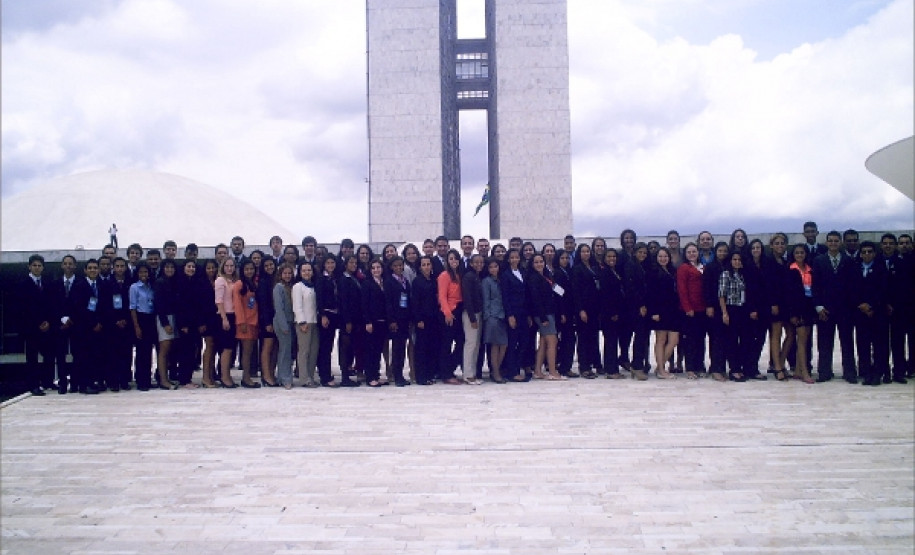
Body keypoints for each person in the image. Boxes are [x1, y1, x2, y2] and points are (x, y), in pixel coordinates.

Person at [811, 231, 856, 383]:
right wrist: (818, 306)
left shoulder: (849, 261)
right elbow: (815, 285)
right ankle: (824, 372)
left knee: (847, 342)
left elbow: (852, 286)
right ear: (826, 243)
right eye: (830, 241)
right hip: (825, 309)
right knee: (824, 342)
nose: (833, 243)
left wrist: (851, 307)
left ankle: (849, 372)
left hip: (845, 309)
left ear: (841, 243)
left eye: (836, 241)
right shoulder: (819, 261)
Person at [849, 242, 888, 386]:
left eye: (869, 252)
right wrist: (861, 305)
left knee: (878, 344)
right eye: (864, 252)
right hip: (860, 313)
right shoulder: (855, 269)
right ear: (860, 254)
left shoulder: (881, 269)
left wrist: (871, 305)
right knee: (863, 344)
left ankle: (878, 372)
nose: (866, 254)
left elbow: (883, 290)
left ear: (874, 253)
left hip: (877, 312)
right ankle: (866, 372)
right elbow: (851, 290)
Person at [718, 251, 758, 382]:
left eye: (739, 259)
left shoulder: (743, 275)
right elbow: (721, 295)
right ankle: (734, 369)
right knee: (732, 341)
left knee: (745, 340)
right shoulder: (726, 274)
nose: (737, 262)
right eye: (734, 259)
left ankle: (742, 367)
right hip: (731, 309)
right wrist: (724, 313)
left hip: (743, 310)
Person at [18, 254, 53, 395]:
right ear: (29, 267)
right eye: (34, 265)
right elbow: (22, 309)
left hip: (47, 327)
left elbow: (51, 305)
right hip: (31, 328)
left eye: (39, 265)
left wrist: (48, 322)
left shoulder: (47, 283)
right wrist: (37, 323)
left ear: (43, 267)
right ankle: (33, 385)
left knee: (49, 355)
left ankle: (47, 382)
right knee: (32, 358)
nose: (37, 268)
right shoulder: (23, 285)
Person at [70, 259, 104, 394]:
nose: (93, 270)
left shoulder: (103, 285)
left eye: (95, 268)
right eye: (90, 268)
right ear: (85, 270)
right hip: (83, 328)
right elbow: (78, 308)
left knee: (95, 356)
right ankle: (83, 385)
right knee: (82, 357)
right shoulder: (78, 286)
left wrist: (100, 322)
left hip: (99, 328)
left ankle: (92, 382)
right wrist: (92, 323)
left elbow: (105, 306)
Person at [528, 253, 564, 380]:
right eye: (536, 262)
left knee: (543, 342)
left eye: (541, 261)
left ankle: (538, 370)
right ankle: (553, 372)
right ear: (532, 264)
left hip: (550, 312)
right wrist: (543, 318)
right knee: (552, 342)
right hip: (543, 314)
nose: (539, 264)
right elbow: (535, 299)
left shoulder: (545, 276)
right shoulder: (533, 278)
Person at [101, 257, 133, 391]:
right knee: (113, 353)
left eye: (122, 266)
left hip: (127, 323)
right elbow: (104, 304)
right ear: (113, 268)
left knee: (126, 352)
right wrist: (115, 320)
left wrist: (125, 319)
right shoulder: (107, 284)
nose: (120, 269)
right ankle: (113, 381)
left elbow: (132, 303)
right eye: (117, 266)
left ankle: (125, 379)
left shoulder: (130, 283)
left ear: (126, 268)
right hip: (112, 324)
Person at [647, 247, 680, 379]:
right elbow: (650, 294)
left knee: (674, 340)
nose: (663, 259)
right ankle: (661, 369)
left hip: (673, 310)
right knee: (661, 339)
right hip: (659, 310)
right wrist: (654, 311)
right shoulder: (653, 273)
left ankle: (659, 366)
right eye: (660, 256)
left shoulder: (672, 270)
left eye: (665, 256)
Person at [787, 244, 816, 384]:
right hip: (798, 308)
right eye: (797, 252)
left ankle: (798, 370)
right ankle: (805, 372)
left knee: (805, 340)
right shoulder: (791, 270)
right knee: (802, 342)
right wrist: (793, 313)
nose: (799, 255)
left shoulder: (810, 269)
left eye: (802, 252)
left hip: (809, 306)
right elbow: (790, 294)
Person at [677, 243, 706, 379]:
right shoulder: (684, 268)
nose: (692, 254)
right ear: (685, 254)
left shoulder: (702, 267)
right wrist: (687, 307)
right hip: (689, 310)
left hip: (702, 309)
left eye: (694, 251)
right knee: (690, 340)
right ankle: (690, 368)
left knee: (700, 339)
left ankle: (699, 365)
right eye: (689, 252)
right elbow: (682, 289)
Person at [572, 243, 601, 378]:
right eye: (583, 251)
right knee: (583, 338)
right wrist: (580, 310)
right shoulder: (577, 269)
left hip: (595, 308)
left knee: (593, 338)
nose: (586, 254)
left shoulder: (594, 267)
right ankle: (584, 366)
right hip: (583, 309)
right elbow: (576, 291)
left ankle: (593, 363)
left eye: (588, 251)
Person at [703, 242, 731, 382]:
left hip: (728, 306)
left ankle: (721, 367)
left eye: (725, 251)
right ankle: (715, 368)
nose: (723, 253)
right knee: (716, 339)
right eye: (720, 251)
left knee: (725, 339)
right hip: (714, 306)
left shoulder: (729, 265)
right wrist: (709, 305)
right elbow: (706, 287)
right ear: (716, 251)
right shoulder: (710, 267)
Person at [623, 243, 651, 378]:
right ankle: (636, 366)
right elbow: (631, 287)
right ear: (635, 252)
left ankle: (642, 363)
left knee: (644, 337)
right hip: (635, 307)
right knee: (639, 337)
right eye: (640, 252)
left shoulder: (644, 266)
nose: (643, 255)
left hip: (644, 306)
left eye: (645, 253)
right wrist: (640, 305)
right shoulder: (630, 266)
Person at [437, 249, 464, 385]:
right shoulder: (444, 275)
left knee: (461, 342)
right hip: (448, 312)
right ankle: (446, 373)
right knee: (446, 344)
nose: (454, 261)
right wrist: (447, 313)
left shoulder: (459, 275)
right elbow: (442, 296)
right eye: (451, 259)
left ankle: (450, 368)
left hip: (459, 311)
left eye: (456, 259)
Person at [384, 256, 412, 386]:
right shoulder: (389, 282)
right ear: (391, 267)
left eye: (401, 265)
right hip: (395, 319)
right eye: (396, 266)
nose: (399, 268)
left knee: (402, 347)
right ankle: (396, 375)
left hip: (405, 318)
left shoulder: (405, 280)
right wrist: (392, 320)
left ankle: (400, 373)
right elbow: (388, 302)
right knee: (396, 348)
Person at [232, 260, 261, 388]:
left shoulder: (253, 284)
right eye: (246, 269)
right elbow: (237, 305)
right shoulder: (239, 284)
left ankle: (248, 376)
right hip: (245, 323)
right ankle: (246, 378)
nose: (249, 271)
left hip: (254, 322)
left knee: (250, 352)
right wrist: (242, 322)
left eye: (251, 269)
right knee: (246, 352)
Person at [501, 249, 528, 382]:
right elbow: (505, 297)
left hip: (524, 313)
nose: (514, 259)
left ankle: (518, 367)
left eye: (516, 257)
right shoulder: (505, 275)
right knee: (512, 343)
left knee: (524, 342)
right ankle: (512, 371)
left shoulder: (523, 272)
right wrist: (510, 315)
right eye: (512, 257)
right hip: (513, 314)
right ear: (508, 259)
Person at [411, 256, 439, 385]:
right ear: (420, 267)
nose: (426, 267)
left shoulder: (433, 280)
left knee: (431, 348)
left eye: (428, 264)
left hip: (433, 319)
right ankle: (421, 377)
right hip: (422, 320)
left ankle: (429, 373)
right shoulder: (417, 281)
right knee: (421, 349)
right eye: (424, 264)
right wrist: (418, 319)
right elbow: (415, 302)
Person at [292, 262, 320, 388]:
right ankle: (304, 378)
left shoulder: (314, 286)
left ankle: (311, 376)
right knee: (304, 351)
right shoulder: (298, 286)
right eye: (304, 270)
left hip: (315, 322)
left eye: (309, 270)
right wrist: (301, 322)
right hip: (304, 323)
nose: (307, 273)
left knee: (313, 350)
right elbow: (297, 306)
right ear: (300, 272)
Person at [597, 248, 625, 378]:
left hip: (617, 312)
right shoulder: (604, 273)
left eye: (614, 256)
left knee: (613, 341)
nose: (612, 259)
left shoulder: (614, 271)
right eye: (609, 256)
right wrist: (612, 312)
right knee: (610, 342)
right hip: (609, 314)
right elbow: (606, 295)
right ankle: (610, 370)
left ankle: (613, 368)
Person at [315, 254, 341, 387]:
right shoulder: (321, 279)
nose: (330, 265)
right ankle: (324, 376)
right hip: (326, 315)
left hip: (335, 315)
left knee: (329, 346)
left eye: (332, 263)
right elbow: (319, 299)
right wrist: (323, 315)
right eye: (328, 263)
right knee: (325, 347)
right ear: (324, 265)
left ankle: (326, 372)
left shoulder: (335, 278)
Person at [153, 259, 179, 390]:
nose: (170, 270)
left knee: (170, 351)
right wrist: (165, 323)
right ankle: (163, 380)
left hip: (174, 317)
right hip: (164, 318)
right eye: (167, 267)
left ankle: (167, 378)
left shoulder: (174, 282)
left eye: (172, 267)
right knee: (164, 350)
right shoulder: (160, 282)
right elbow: (158, 305)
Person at [362, 258, 388, 387]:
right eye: (373, 268)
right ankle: (370, 377)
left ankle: (376, 375)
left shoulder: (384, 282)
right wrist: (368, 321)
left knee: (378, 350)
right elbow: (364, 304)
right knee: (371, 350)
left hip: (383, 321)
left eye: (378, 267)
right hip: (372, 321)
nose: (376, 270)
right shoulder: (367, 284)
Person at [337, 255, 363, 385]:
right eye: (351, 262)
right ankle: (344, 377)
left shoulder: (354, 278)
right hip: (347, 320)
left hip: (356, 319)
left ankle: (348, 373)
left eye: (355, 263)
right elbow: (344, 302)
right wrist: (347, 321)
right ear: (345, 264)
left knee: (352, 347)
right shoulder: (343, 280)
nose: (354, 265)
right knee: (345, 348)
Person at [129, 263, 155, 391]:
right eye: (141, 272)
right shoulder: (134, 287)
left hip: (151, 319)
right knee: (141, 351)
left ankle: (147, 379)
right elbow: (132, 307)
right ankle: (140, 380)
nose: (144, 275)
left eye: (146, 272)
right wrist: (136, 326)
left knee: (149, 351)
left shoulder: (151, 286)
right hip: (140, 318)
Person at [482, 257, 507, 383]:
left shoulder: (501, 280)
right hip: (493, 316)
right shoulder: (486, 281)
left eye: (495, 266)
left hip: (503, 315)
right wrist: (487, 317)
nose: (493, 269)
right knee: (495, 345)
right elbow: (485, 300)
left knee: (504, 344)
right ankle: (496, 372)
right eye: (490, 267)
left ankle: (496, 368)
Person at [460, 254, 485, 385]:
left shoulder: (477, 276)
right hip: (471, 314)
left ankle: (473, 373)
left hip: (478, 313)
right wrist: (472, 318)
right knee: (470, 344)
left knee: (476, 344)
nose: (479, 264)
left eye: (481, 262)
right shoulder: (468, 277)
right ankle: (467, 374)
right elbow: (467, 298)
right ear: (471, 264)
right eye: (476, 262)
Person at [215, 258, 239, 388]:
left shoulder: (233, 281)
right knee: (226, 348)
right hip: (224, 316)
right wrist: (224, 318)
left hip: (234, 315)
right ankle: (224, 377)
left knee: (231, 347)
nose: (229, 268)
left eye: (232, 266)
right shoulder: (220, 280)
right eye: (227, 266)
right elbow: (219, 301)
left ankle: (227, 374)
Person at [552, 249, 577, 377]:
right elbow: (558, 294)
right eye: (562, 258)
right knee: (567, 339)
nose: (565, 260)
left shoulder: (568, 272)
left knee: (569, 339)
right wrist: (561, 312)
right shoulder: (557, 273)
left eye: (567, 258)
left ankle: (566, 365)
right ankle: (563, 367)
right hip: (562, 312)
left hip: (570, 309)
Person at [272, 263, 297, 389]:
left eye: (289, 273)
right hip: (282, 323)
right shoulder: (278, 287)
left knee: (288, 350)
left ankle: (285, 376)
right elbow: (279, 308)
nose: (287, 275)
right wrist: (283, 326)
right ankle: (285, 379)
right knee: (285, 351)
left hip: (291, 322)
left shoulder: (292, 287)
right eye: (285, 273)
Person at [256, 257, 279, 387]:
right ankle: (266, 375)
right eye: (266, 266)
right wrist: (267, 323)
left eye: (271, 265)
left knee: (275, 347)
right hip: (267, 320)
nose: (269, 267)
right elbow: (263, 304)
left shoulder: (276, 280)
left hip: (277, 320)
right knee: (267, 347)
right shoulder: (263, 282)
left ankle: (271, 372)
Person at [199, 259, 221, 388]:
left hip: (216, 318)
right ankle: (205, 377)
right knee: (209, 347)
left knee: (214, 348)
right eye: (208, 268)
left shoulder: (218, 282)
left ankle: (211, 375)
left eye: (213, 267)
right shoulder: (202, 283)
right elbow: (200, 304)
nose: (211, 270)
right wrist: (201, 322)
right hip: (206, 319)